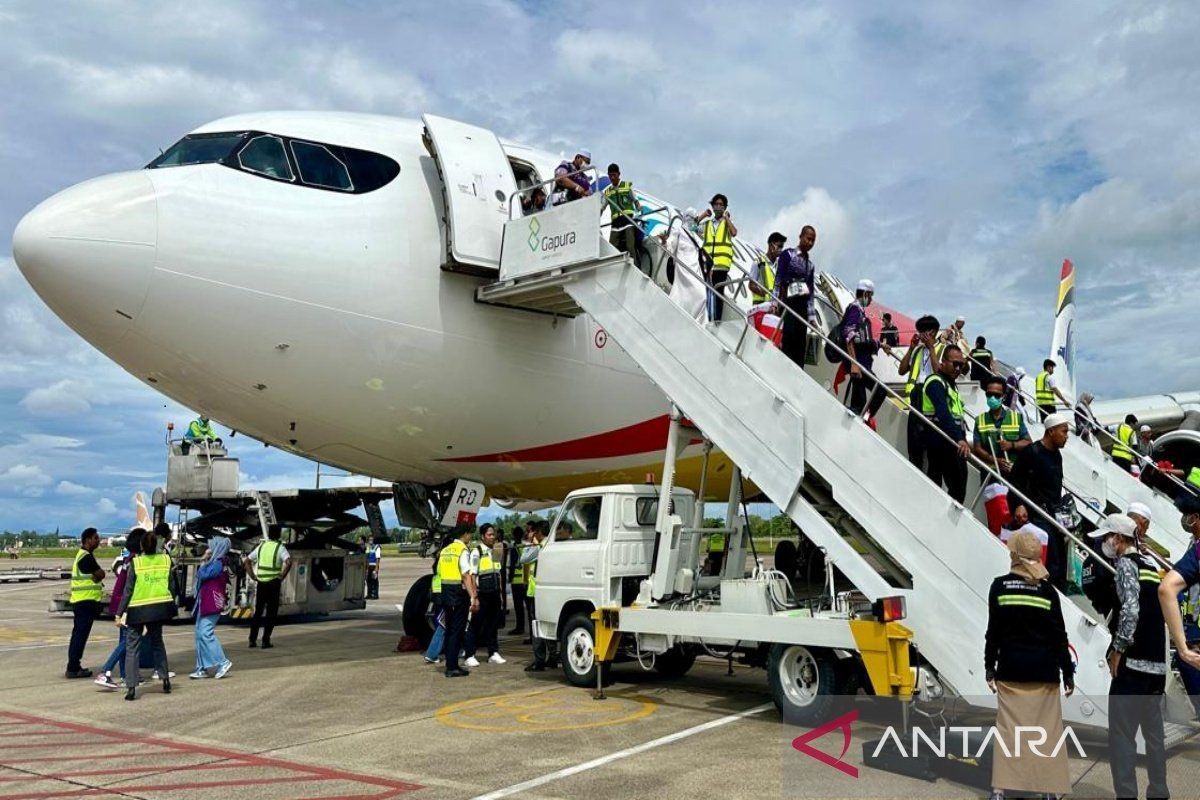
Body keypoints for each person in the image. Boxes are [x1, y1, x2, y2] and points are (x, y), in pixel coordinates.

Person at [983, 531, 1073, 800]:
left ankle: (1000, 791)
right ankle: (1047, 791)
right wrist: (1067, 672)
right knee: (1046, 732)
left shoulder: (999, 587)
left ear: (1013, 556)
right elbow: (1059, 636)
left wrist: (990, 667)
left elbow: (993, 632)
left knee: (1009, 731)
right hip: (1044, 673)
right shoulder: (1048, 592)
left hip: (1011, 670)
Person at [1099, 513, 1169, 800]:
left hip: (1133, 666)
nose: (1105, 543)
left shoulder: (1126, 564)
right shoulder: (1151, 566)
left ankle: (1126, 795)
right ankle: (1159, 793)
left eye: (1106, 538)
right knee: (1154, 737)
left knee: (1122, 736)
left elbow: (1130, 610)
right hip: (1156, 666)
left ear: (1118, 539)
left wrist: (1118, 649)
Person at [1010, 413, 1071, 590]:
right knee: (1051, 557)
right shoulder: (1032, 452)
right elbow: (1015, 481)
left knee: (1060, 558)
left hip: (1053, 515)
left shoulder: (1057, 455)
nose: (1066, 436)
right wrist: (1019, 504)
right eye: (1064, 431)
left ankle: (1058, 591)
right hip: (1035, 514)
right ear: (1051, 431)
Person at [117, 529, 176, 701]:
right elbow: (171, 585)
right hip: (158, 608)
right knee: (157, 643)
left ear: (142, 545)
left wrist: (120, 612)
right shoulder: (166, 560)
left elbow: (128, 591)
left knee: (132, 648)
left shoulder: (137, 563)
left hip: (138, 609)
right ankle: (165, 679)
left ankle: (131, 687)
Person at [94, 529, 143, 690]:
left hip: (119, 604)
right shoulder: (136, 562)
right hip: (126, 605)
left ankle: (125, 675)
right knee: (128, 642)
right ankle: (105, 670)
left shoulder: (128, 559)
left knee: (124, 641)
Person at [920, 344, 970, 503]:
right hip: (942, 439)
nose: (958, 368)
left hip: (951, 439)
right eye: (954, 363)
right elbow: (943, 413)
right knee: (956, 483)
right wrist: (959, 438)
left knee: (957, 483)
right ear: (943, 362)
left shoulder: (951, 385)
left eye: (961, 365)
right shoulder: (935, 382)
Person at [840, 279, 892, 422]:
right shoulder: (855, 309)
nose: (871, 300)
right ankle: (865, 417)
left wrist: (880, 345)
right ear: (865, 294)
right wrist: (854, 363)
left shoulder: (860, 312)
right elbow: (848, 335)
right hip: (858, 363)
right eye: (870, 296)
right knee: (880, 391)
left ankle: (864, 417)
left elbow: (863, 339)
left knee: (860, 402)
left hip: (862, 362)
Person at [898, 315, 944, 471]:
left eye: (924, 332)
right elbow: (902, 370)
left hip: (933, 400)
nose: (921, 335)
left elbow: (940, 371)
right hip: (916, 398)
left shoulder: (943, 349)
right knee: (915, 444)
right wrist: (911, 348)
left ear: (933, 332)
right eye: (920, 332)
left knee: (933, 449)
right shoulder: (918, 350)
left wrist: (931, 348)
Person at [774, 225, 818, 370]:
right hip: (788, 302)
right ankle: (784, 370)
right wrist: (774, 302)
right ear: (801, 236)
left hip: (802, 306)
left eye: (813, 241)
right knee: (788, 339)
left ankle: (797, 371)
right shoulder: (788, 255)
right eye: (808, 239)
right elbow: (778, 279)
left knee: (800, 344)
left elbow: (811, 293)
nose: (810, 243)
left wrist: (812, 317)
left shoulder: (810, 266)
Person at [65, 528, 105, 679]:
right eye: (96, 538)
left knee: (78, 635)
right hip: (85, 602)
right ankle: (73, 667)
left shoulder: (83, 555)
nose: (98, 541)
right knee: (80, 636)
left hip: (82, 601)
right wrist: (99, 575)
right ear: (88, 540)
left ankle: (74, 665)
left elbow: (98, 575)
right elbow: (101, 574)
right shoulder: (86, 557)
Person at [190, 536, 232, 680]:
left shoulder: (217, 564)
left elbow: (202, 574)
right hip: (208, 602)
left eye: (212, 547)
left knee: (205, 633)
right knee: (200, 634)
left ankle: (222, 661)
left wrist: (203, 561)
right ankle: (202, 667)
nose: (209, 549)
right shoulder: (219, 563)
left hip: (211, 603)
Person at [439, 525, 478, 678]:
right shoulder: (462, 550)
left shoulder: (446, 550)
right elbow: (466, 575)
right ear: (465, 534)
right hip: (457, 593)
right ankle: (452, 666)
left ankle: (450, 664)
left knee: (449, 630)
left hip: (445, 593)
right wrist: (472, 596)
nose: (470, 537)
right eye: (470, 534)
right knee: (457, 631)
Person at [973, 376, 1032, 476]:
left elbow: (1028, 442)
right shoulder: (980, 420)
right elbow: (977, 448)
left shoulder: (1016, 418)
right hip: (990, 473)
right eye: (989, 394)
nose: (992, 398)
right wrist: (995, 460)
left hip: (1012, 472)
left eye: (996, 395)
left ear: (1004, 397)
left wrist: (1011, 445)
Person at [464, 524, 505, 666]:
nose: (492, 537)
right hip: (482, 594)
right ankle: (469, 654)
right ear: (482, 536)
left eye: (493, 534)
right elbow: (472, 574)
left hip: (494, 593)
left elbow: (498, 573)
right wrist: (474, 596)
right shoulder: (477, 551)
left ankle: (493, 652)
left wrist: (500, 594)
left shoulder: (496, 551)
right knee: (476, 624)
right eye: (489, 534)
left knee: (493, 624)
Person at [244, 526, 292, 649]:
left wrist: (252, 575)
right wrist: (282, 576)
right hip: (273, 583)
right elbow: (288, 562)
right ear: (279, 535)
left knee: (258, 612)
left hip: (261, 583)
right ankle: (265, 641)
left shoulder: (261, 546)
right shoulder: (280, 548)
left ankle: (252, 640)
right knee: (271, 613)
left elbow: (247, 561)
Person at [695, 194, 738, 322]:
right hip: (707, 264)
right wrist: (703, 215)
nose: (718, 207)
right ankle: (706, 317)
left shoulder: (726, 224)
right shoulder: (707, 224)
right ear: (712, 206)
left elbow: (734, 233)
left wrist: (726, 218)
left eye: (721, 205)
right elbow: (691, 226)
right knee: (705, 291)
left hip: (721, 264)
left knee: (718, 293)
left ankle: (716, 320)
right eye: (716, 204)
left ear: (725, 208)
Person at [521, 521, 554, 671]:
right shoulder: (552, 544)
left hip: (536, 593)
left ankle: (539, 660)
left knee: (537, 627)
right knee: (549, 624)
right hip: (548, 592)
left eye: (532, 531)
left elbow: (524, 559)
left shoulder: (538, 546)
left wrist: (530, 543)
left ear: (538, 532)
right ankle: (553, 657)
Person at [602, 164, 639, 257]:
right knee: (612, 247)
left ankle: (635, 265)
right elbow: (602, 207)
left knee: (630, 246)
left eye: (614, 175)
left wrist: (639, 207)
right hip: (616, 223)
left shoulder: (627, 186)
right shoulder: (607, 192)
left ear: (619, 174)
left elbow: (636, 200)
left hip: (627, 221)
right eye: (610, 175)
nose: (612, 177)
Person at [749, 232, 785, 304]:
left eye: (782, 247)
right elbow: (751, 285)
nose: (781, 250)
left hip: (774, 305)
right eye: (779, 246)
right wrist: (763, 292)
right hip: (760, 304)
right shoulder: (758, 262)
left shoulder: (780, 266)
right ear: (771, 246)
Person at [507, 526, 527, 636]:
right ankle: (523, 627)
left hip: (516, 580)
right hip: (525, 580)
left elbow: (513, 564)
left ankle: (520, 627)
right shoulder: (525, 546)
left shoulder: (514, 548)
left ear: (514, 535)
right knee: (527, 607)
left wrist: (510, 577)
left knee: (518, 606)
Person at [365, 535, 381, 600]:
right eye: (369, 540)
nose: (370, 541)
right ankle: (369, 594)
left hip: (374, 566)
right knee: (368, 580)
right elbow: (367, 557)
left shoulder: (377, 547)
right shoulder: (368, 547)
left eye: (372, 540)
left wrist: (376, 568)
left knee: (374, 581)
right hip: (369, 566)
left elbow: (378, 558)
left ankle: (375, 595)